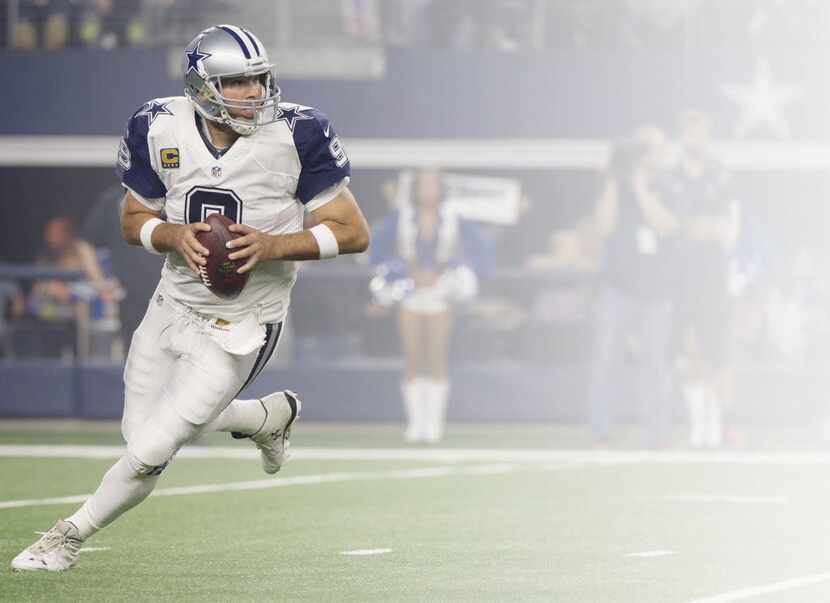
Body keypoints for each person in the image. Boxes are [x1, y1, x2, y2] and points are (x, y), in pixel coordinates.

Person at [11, 24, 370, 572]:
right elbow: (132, 220)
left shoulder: (299, 132)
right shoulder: (157, 124)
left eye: (259, 79)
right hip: (172, 305)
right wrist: (175, 234)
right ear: (201, 87)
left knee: (151, 451)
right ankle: (266, 417)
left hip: (243, 322)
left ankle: (65, 537)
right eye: (236, 82)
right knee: (142, 431)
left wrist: (273, 244)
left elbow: (353, 233)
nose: (254, 93)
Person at [369, 168, 489, 443]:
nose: (428, 190)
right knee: (413, 354)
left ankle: (434, 424)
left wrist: (448, 271)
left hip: (440, 290)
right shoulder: (400, 218)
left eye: (433, 184)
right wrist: (403, 272)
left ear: (441, 188)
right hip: (411, 290)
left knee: (436, 354)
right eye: (423, 184)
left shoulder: (453, 218)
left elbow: (478, 249)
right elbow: (379, 249)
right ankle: (415, 423)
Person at [584, 128, 678, 447]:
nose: (647, 154)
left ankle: (656, 432)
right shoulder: (617, 187)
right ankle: (602, 432)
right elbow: (604, 226)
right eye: (642, 148)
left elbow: (665, 225)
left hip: (657, 290)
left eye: (652, 148)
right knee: (606, 360)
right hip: (618, 287)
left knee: (654, 363)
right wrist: (614, 177)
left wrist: (640, 186)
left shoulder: (670, 184)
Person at [663, 111, 738, 449]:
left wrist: (700, 227)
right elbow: (670, 224)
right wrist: (689, 228)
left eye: (702, 131)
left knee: (717, 349)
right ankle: (697, 423)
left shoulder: (721, 174)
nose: (696, 137)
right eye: (690, 131)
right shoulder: (670, 177)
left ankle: (716, 422)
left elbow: (723, 226)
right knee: (688, 346)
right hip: (680, 272)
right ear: (682, 135)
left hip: (713, 272)